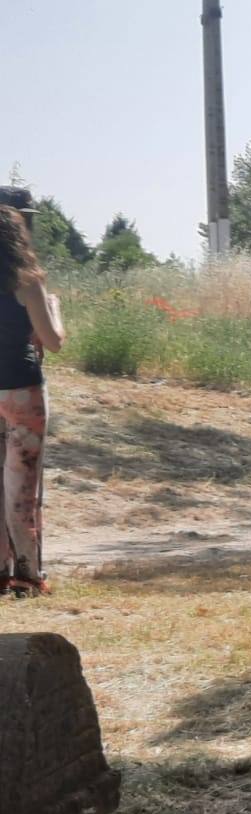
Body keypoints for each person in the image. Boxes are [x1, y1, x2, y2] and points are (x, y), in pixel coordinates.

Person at [0, 188, 65, 597]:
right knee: (22, 488)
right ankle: (27, 575)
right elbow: (53, 341)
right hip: (21, 391)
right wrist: (55, 308)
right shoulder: (27, 280)